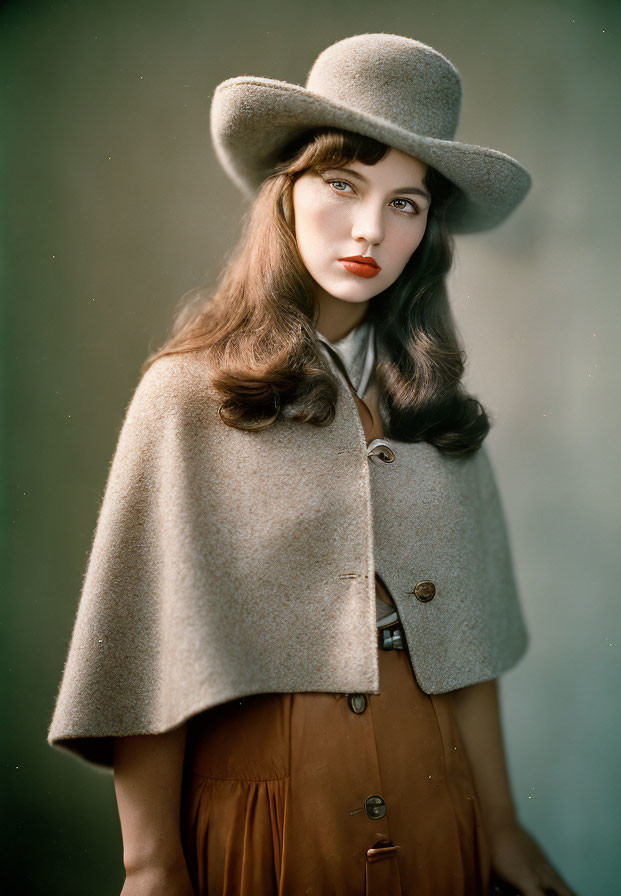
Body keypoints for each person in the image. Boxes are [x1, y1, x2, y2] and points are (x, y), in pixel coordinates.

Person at [47, 33, 578, 896]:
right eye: (343, 184)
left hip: (440, 803)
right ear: (285, 192)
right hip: (268, 810)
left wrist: (504, 825)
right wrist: (150, 863)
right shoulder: (186, 396)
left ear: (429, 232)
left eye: (407, 204)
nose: (372, 227)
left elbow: (468, 648)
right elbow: (149, 646)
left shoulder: (436, 415)